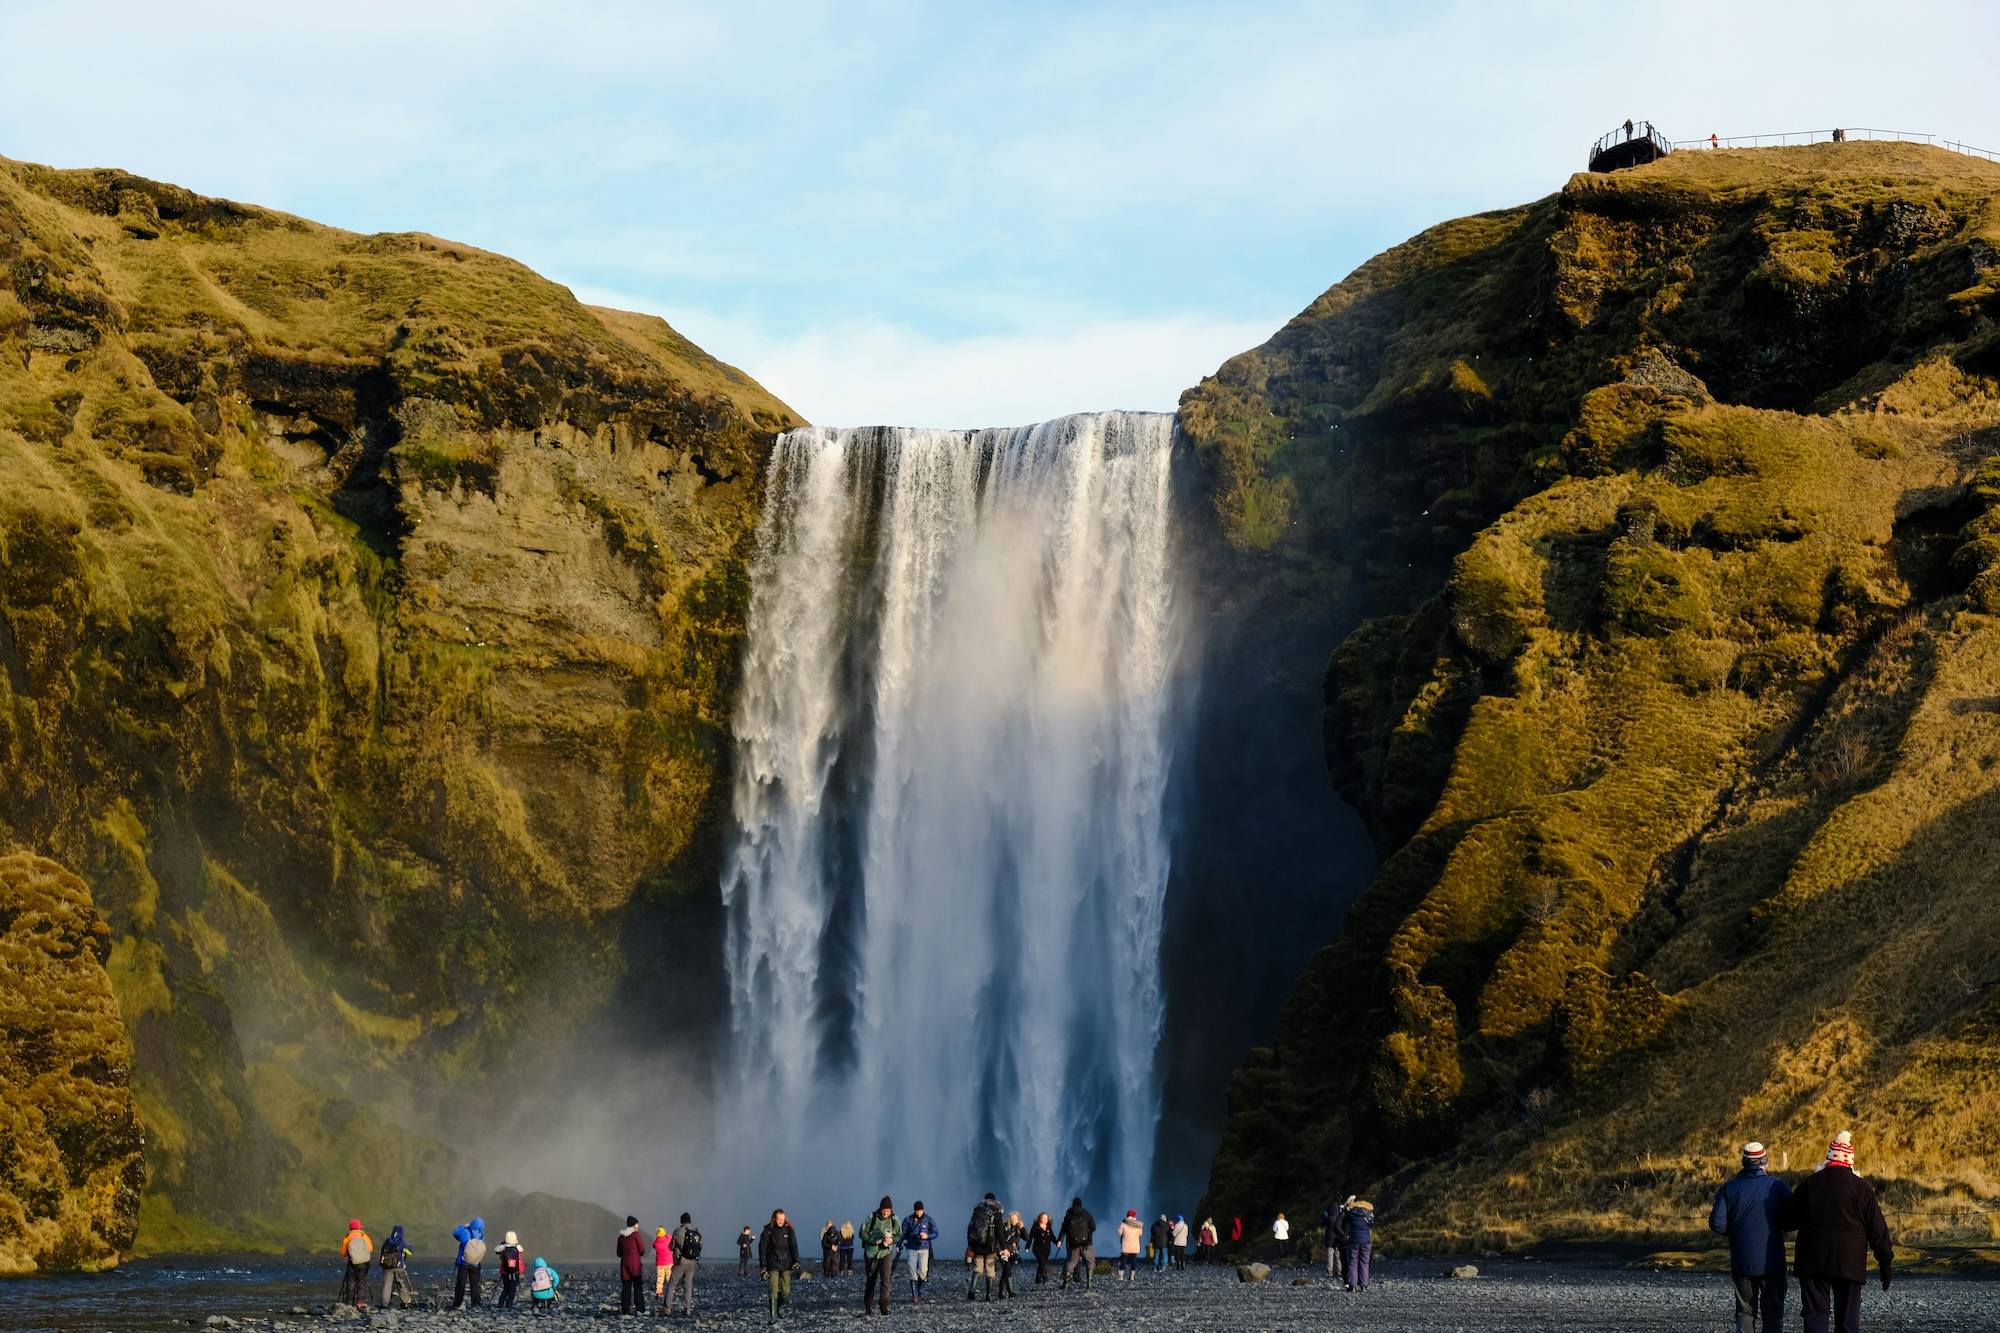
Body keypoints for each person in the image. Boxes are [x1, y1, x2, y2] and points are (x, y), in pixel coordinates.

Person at [1780, 1131, 1893, 1333]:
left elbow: (1788, 1221)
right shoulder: (1862, 1188)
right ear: (1850, 1161)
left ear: (1829, 1157)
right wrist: (1885, 1262)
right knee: (1848, 1321)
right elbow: (1878, 1229)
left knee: (1815, 1315)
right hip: (1850, 1261)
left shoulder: (1810, 1184)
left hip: (1813, 1261)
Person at [1711, 1141, 1791, 1333]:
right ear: (1765, 1162)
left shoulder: (1729, 1188)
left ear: (1744, 1163)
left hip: (1742, 1261)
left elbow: (1717, 1224)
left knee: (1745, 1312)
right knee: (1772, 1315)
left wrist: (1737, 1231)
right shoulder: (1777, 1187)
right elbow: (1793, 1218)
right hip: (1772, 1262)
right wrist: (1778, 1227)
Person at [759, 1207, 800, 1324]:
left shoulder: (789, 1230)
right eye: (778, 1219)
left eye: (782, 1219)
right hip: (773, 1264)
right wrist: (763, 1267)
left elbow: (794, 1246)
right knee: (773, 1289)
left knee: (786, 1291)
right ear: (774, 1219)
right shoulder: (768, 1231)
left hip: (787, 1264)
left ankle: (778, 1307)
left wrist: (797, 1261)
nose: (781, 1221)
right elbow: (762, 1249)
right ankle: (773, 1316)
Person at [861, 1196, 899, 1315]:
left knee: (886, 1280)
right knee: (871, 1280)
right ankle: (868, 1307)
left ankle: (884, 1307)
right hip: (871, 1254)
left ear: (891, 1210)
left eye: (888, 1210)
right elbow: (862, 1233)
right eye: (884, 1210)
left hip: (886, 1253)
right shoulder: (871, 1218)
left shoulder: (894, 1219)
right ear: (880, 1208)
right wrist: (874, 1240)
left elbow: (899, 1235)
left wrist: (892, 1240)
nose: (885, 1212)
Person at [965, 1192, 1005, 1301]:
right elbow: (1000, 1232)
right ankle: (988, 1295)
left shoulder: (978, 1210)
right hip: (990, 1246)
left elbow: (970, 1227)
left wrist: (970, 1244)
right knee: (990, 1270)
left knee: (978, 1268)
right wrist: (1004, 1247)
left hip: (977, 1245)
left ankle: (972, 1291)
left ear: (985, 1199)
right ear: (994, 1200)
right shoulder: (997, 1212)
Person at [900, 1200, 938, 1302]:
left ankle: (920, 1291)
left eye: (920, 1210)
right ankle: (915, 1295)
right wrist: (899, 1244)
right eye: (917, 1210)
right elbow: (902, 1233)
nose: (919, 1212)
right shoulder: (908, 1220)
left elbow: (935, 1232)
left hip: (924, 1248)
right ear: (914, 1210)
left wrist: (927, 1236)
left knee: (923, 1271)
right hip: (911, 1248)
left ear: (923, 1209)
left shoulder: (928, 1219)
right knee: (912, 1270)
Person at [667, 1212, 702, 1316]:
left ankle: (667, 1308)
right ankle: (687, 1309)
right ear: (690, 1220)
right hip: (692, 1262)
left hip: (680, 1261)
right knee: (688, 1286)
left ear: (681, 1221)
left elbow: (671, 1246)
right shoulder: (695, 1232)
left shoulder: (678, 1231)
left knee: (672, 1284)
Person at [1059, 1197, 1096, 1290]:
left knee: (1071, 1263)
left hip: (1073, 1244)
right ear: (1081, 1204)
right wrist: (1088, 1233)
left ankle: (1067, 1283)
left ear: (1073, 1204)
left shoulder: (1069, 1214)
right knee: (1090, 1262)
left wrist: (1060, 1240)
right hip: (1086, 1244)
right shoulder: (1086, 1214)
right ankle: (1090, 1284)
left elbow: (1064, 1229)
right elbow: (1093, 1227)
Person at [450, 1216, 487, 1309]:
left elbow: (455, 1233)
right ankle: (476, 1303)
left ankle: (457, 1303)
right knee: (475, 1284)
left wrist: (464, 1226)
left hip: (464, 1262)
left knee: (461, 1284)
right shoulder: (481, 1235)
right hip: (476, 1263)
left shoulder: (465, 1232)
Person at [336, 1218, 372, 1308]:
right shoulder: (364, 1236)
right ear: (359, 1227)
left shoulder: (347, 1237)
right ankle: (361, 1301)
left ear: (350, 1228)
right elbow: (370, 1249)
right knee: (362, 1280)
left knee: (351, 1281)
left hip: (352, 1262)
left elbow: (343, 1253)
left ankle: (349, 1301)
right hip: (364, 1262)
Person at [1342, 1198, 1376, 1291]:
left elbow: (1343, 1221)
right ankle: (1364, 1285)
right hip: (1366, 1240)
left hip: (1353, 1240)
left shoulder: (1351, 1213)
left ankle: (1352, 1285)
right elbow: (1372, 1224)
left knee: (1353, 1262)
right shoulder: (1369, 1214)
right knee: (1364, 1263)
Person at [617, 1215, 648, 1314]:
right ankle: (640, 1309)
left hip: (624, 1265)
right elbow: (642, 1250)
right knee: (637, 1288)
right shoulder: (636, 1235)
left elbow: (618, 1253)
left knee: (626, 1288)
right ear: (634, 1225)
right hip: (635, 1265)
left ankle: (625, 1309)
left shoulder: (621, 1237)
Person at [378, 1224, 413, 1309]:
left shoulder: (387, 1241)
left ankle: (385, 1303)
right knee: (401, 1284)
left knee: (387, 1285)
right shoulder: (402, 1242)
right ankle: (405, 1302)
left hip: (387, 1267)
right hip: (399, 1267)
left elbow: (382, 1251)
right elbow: (410, 1252)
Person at [1321, 1197, 1352, 1282]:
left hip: (1329, 1238)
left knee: (1330, 1255)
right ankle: (1339, 1270)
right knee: (1338, 1255)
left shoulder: (1329, 1218)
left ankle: (1329, 1271)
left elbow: (1322, 1223)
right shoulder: (1339, 1216)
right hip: (1338, 1238)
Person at [495, 1229, 526, 1309]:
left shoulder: (503, 1248)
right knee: (513, 1288)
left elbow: (496, 1250)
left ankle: (500, 1304)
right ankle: (509, 1305)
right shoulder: (518, 1248)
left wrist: (503, 1244)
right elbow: (521, 1256)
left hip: (505, 1271)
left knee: (506, 1288)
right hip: (516, 1271)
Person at [996, 1211, 1025, 1298]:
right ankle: (1010, 1292)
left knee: (1006, 1272)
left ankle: (1000, 1293)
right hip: (1003, 1252)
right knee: (1007, 1270)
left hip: (1013, 1253)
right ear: (1009, 1219)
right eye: (1012, 1218)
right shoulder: (1004, 1226)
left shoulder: (1018, 1228)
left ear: (1018, 1219)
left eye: (1016, 1219)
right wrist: (1000, 1249)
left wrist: (1022, 1228)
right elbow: (999, 1238)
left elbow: (1027, 1238)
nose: (1014, 1220)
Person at [1027, 1212, 1057, 1284]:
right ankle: (1044, 1276)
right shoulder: (1035, 1226)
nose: (1045, 1219)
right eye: (1043, 1218)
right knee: (1042, 1262)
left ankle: (1037, 1278)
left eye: (1046, 1218)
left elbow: (1052, 1236)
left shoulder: (1048, 1226)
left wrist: (1057, 1243)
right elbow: (1030, 1237)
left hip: (1046, 1249)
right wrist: (1027, 1247)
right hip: (1037, 1249)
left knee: (1042, 1263)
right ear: (1040, 1218)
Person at [652, 1226, 676, 1308]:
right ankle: (671, 1291)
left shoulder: (656, 1242)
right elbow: (671, 1238)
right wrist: (666, 1235)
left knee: (660, 1278)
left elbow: (653, 1245)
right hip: (669, 1262)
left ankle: (658, 1292)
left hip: (660, 1263)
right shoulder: (668, 1239)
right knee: (669, 1277)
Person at [1117, 1209, 1143, 1280]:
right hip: (1135, 1246)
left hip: (1126, 1245)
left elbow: (1119, 1233)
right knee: (1134, 1261)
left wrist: (1118, 1229)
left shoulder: (1123, 1224)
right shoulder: (1138, 1225)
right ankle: (1132, 1277)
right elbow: (1140, 1234)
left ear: (1127, 1215)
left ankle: (1121, 1277)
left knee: (1123, 1261)